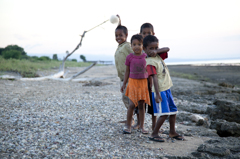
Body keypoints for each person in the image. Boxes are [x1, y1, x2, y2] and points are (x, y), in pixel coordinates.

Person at [144, 35, 185, 142]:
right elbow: (154, 78)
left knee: (173, 111)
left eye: (155, 48)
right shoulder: (149, 62)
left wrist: (157, 51)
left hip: (167, 88)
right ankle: (154, 133)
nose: (153, 50)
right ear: (145, 49)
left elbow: (167, 49)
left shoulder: (158, 56)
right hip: (159, 90)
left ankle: (172, 132)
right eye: (150, 48)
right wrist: (157, 94)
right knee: (164, 113)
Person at [132, 22, 170, 132]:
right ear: (140, 34)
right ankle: (140, 124)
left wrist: (155, 51)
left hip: (152, 83)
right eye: (144, 33)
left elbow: (167, 48)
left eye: (148, 33)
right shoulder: (138, 48)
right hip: (140, 82)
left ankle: (154, 126)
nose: (146, 35)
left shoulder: (153, 48)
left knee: (153, 106)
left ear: (153, 33)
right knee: (140, 104)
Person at [121, 34, 151, 134]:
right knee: (131, 105)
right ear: (131, 46)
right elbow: (127, 71)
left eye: (139, 44)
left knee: (142, 105)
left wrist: (151, 84)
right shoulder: (129, 57)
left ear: (143, 46)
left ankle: (142, 126)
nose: (136, 46)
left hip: (143, 83)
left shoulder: (146, 56)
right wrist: (124, 83)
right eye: (134, 44)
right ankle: (128, 125)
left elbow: (150, 71)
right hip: (133, 83)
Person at [114, 15, 133, 115]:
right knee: (124, 98)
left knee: (130, 99)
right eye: (116, 36)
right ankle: (131, 117)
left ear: (126, 35)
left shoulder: (127, 46)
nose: (118, 37)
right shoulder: (119, 47)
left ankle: (133, 119)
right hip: (122, 78)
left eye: (121, 35)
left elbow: (135, 55)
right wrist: (119, 22)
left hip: (129, 78)